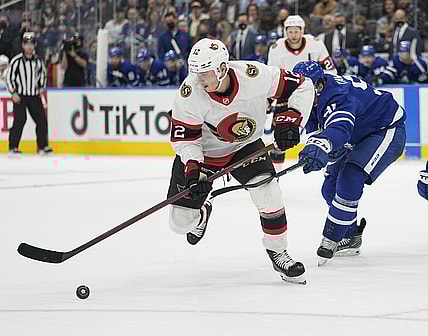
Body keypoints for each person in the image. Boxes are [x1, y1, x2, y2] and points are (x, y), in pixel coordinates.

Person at [168, 38, 315, 283]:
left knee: (269, 193)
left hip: (245, 147)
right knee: (180, 223)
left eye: (204, 73)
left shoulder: (254, 75)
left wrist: (292, 119)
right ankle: (202, 213)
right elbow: (186, 139)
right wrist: (194, 170)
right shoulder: (190, 92)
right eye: (195, 72)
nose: (198, 79)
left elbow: (302, 85)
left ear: (222, 69)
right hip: (204, 153)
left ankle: (278, 252)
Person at [292, 60, 406, 262]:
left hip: (384, 129)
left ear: (319, 84)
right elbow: (317, 126)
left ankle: (331, 238)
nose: (302, 92)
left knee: (350, 178)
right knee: (329, 188)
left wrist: (324, 144)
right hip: (357, 132)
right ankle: (351, 235)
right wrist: (319, 143)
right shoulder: (312, 93)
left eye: (307, 87)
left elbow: (340, 127)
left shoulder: (339, 96)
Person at [267, 15, 336, 169]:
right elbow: (271, 77)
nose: (293, 35)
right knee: (280, 136)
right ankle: (274, 175)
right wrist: (268, 100)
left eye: (296, 31)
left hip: (315, 96)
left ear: (302, 31)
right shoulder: (276, 48)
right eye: (290, 31)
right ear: (285, 32)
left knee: (324, 131)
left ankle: (333, 166)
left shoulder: (316, 44)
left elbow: (331, 70)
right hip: (286, 96)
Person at [6, 32, 52, 156]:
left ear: (35, 45)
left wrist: (42, 87)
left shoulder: (38, 61)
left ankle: (43, 146)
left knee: (41, 120)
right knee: (20, 120)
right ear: (22, 45)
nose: (29, 47)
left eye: (31, 44)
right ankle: (13, 147)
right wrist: (13, 92)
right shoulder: (16, 61)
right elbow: (9, 78)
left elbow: (43, 74)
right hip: (20, 96)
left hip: (34, 95)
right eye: (27, 44)